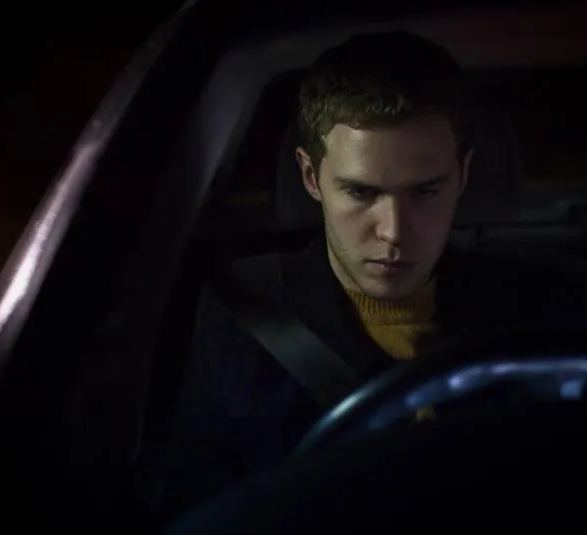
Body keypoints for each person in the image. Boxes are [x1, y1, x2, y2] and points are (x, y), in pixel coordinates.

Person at [156, 30, 587, 519]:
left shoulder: (548, 307)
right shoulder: (242, 319)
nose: (394, 232)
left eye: (425, 192)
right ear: (311, 177)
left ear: (463, 176)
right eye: (361, 193)